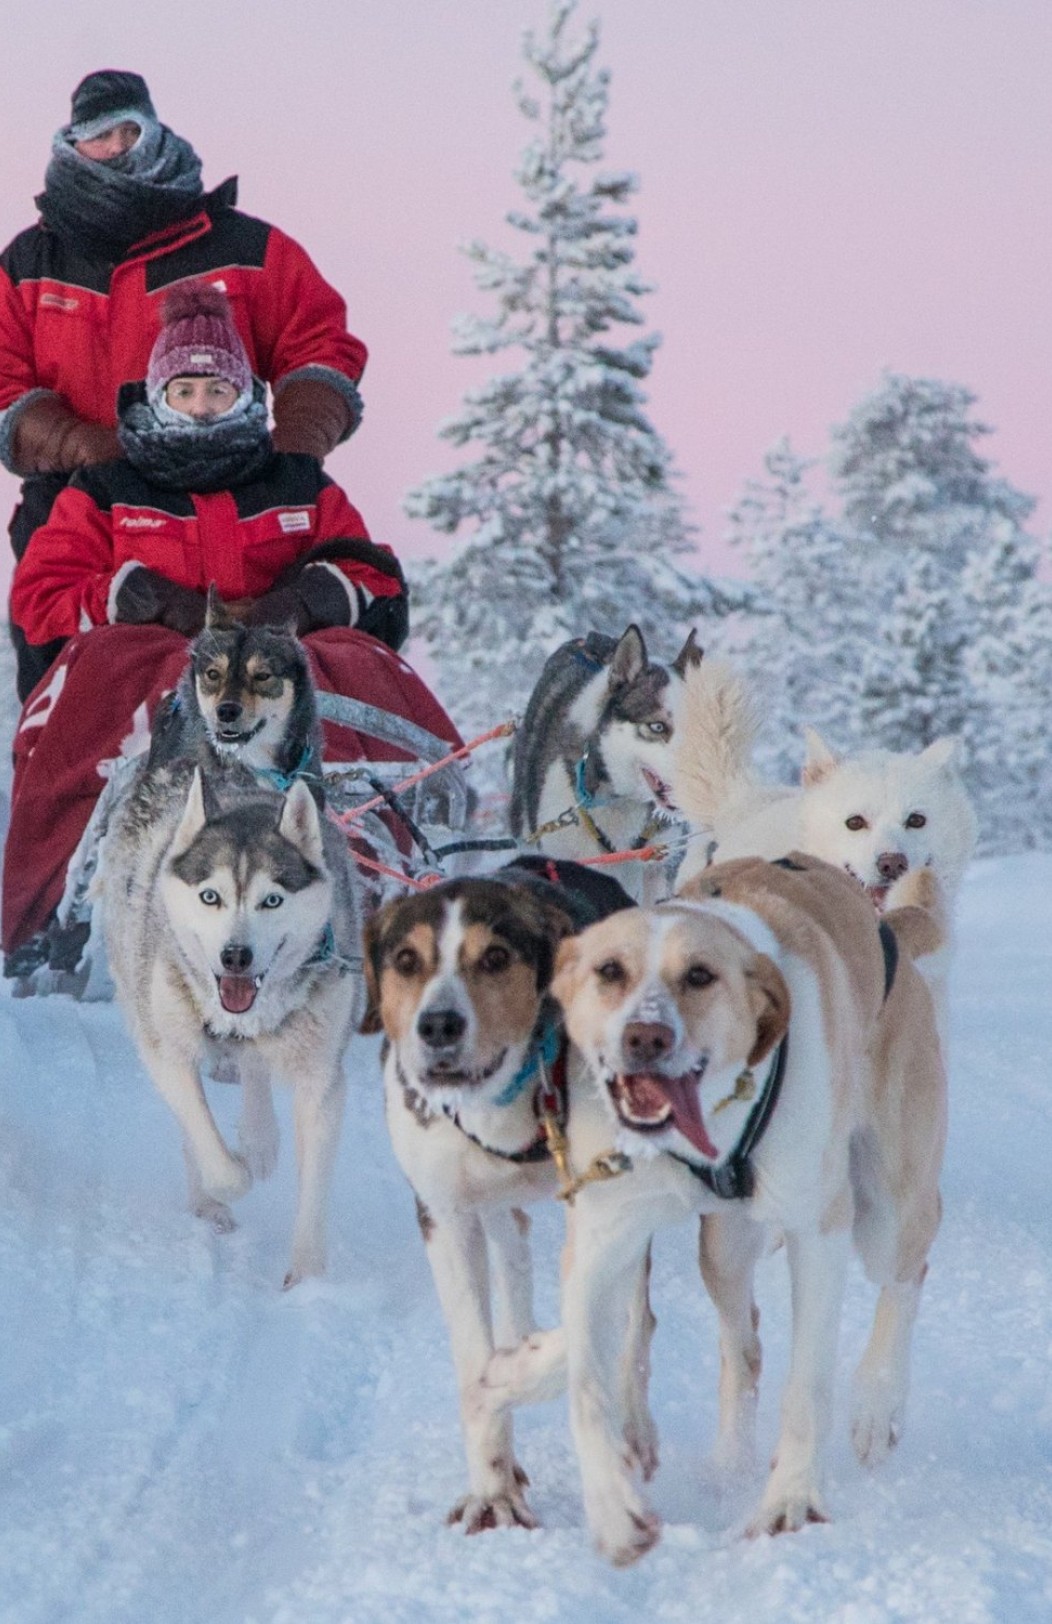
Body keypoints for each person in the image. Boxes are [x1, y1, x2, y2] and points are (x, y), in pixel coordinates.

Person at [2, 283, 457, 980]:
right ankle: (60, 900)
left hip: (282, 659)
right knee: (114, 662)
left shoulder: (296, 482)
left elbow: (374, 575)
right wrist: (129, 596)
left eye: (217, 389)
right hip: (159, 658)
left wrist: (312, 597)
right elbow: (41, 595)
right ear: (158, 396)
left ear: (246, 395)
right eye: (183, 390)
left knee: (350, 659)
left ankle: (395, 859)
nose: (201, 405)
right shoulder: (107, 488)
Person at [0, 69, 369, 697]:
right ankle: (68, 794)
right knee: (69, 690)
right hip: (81, 500)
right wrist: (82, 444)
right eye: (97, 136)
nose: (115, 147)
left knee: (283, 678)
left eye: (128, 130)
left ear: (153, 129)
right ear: (70, 145)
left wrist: (299, 445)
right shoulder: (31, 263)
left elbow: (320, 340)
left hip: (239, 490)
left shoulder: (246, 246)